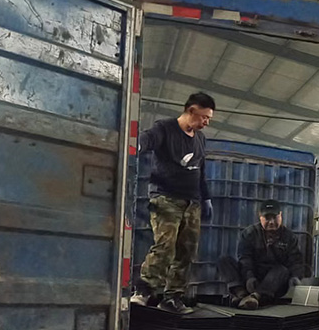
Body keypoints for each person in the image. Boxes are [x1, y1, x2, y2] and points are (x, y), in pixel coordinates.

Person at [131, 92, 215, 315]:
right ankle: (143, 291)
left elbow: (201, 171)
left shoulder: (200, 139)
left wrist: (205, 197)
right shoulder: (165, 128)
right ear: (191, 110)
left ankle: (172, 298)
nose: (207, 122)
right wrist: (135, 145)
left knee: (187, 251)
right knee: (165, 245)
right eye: (204, 117)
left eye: (209, 118)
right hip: (166, 197)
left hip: (192, 202)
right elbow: (148, 138)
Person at [217, 200, 308, 310]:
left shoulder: (290, 237)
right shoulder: (249, 233)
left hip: (274, 282)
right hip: (252, 278)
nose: (271, 222)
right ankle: (241, 294)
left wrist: (295, 277)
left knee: (282, 270)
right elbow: (245, 258)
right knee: (224, 260)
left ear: (280, 215)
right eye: (267, 218)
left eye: (275, 217)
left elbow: (296, 262)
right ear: (260, 217)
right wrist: (249, 277)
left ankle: (256, 297)